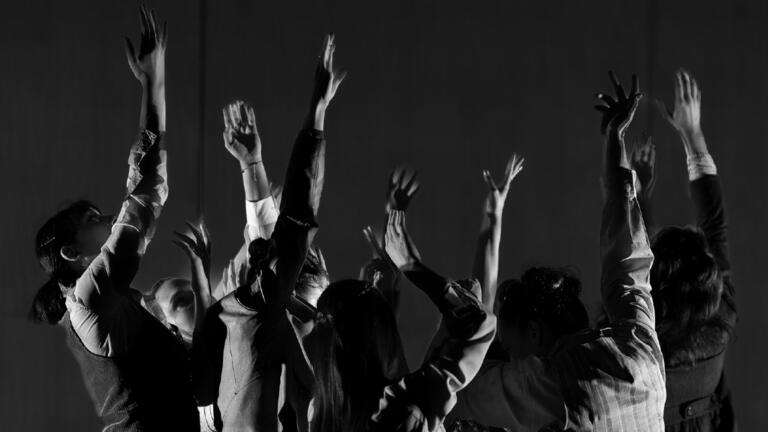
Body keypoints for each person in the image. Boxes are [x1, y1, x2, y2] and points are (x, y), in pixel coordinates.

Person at [448, 72, 666, 431]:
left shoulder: (551, 382)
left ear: (534, 334)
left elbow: (462, 390)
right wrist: (615, 140)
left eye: (508, 348)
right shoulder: (639, 345)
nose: (507, 360)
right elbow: (628, 260)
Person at [29, 7, 200, 430]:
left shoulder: (112, 301)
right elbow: (140, 201)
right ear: (72, 252)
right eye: (91, 218)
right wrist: (154, 85)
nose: (106, 214)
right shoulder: (88, 301)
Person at [191, 34, 344, 431]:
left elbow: (285, 229)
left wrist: (255, 164)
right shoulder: (260, 320)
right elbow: (284, 228)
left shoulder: (315, 351)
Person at [291, 208, 496, 432]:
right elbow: (477, 323)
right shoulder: (399, 410)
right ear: (382, 336)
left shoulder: (317, 416)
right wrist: (412, 266)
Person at [646, 69, 737, 431]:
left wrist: (631, 195)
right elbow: (715, 224)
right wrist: (692, 134)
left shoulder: (640, 350)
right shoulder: (720, 316)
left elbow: (623, 274)